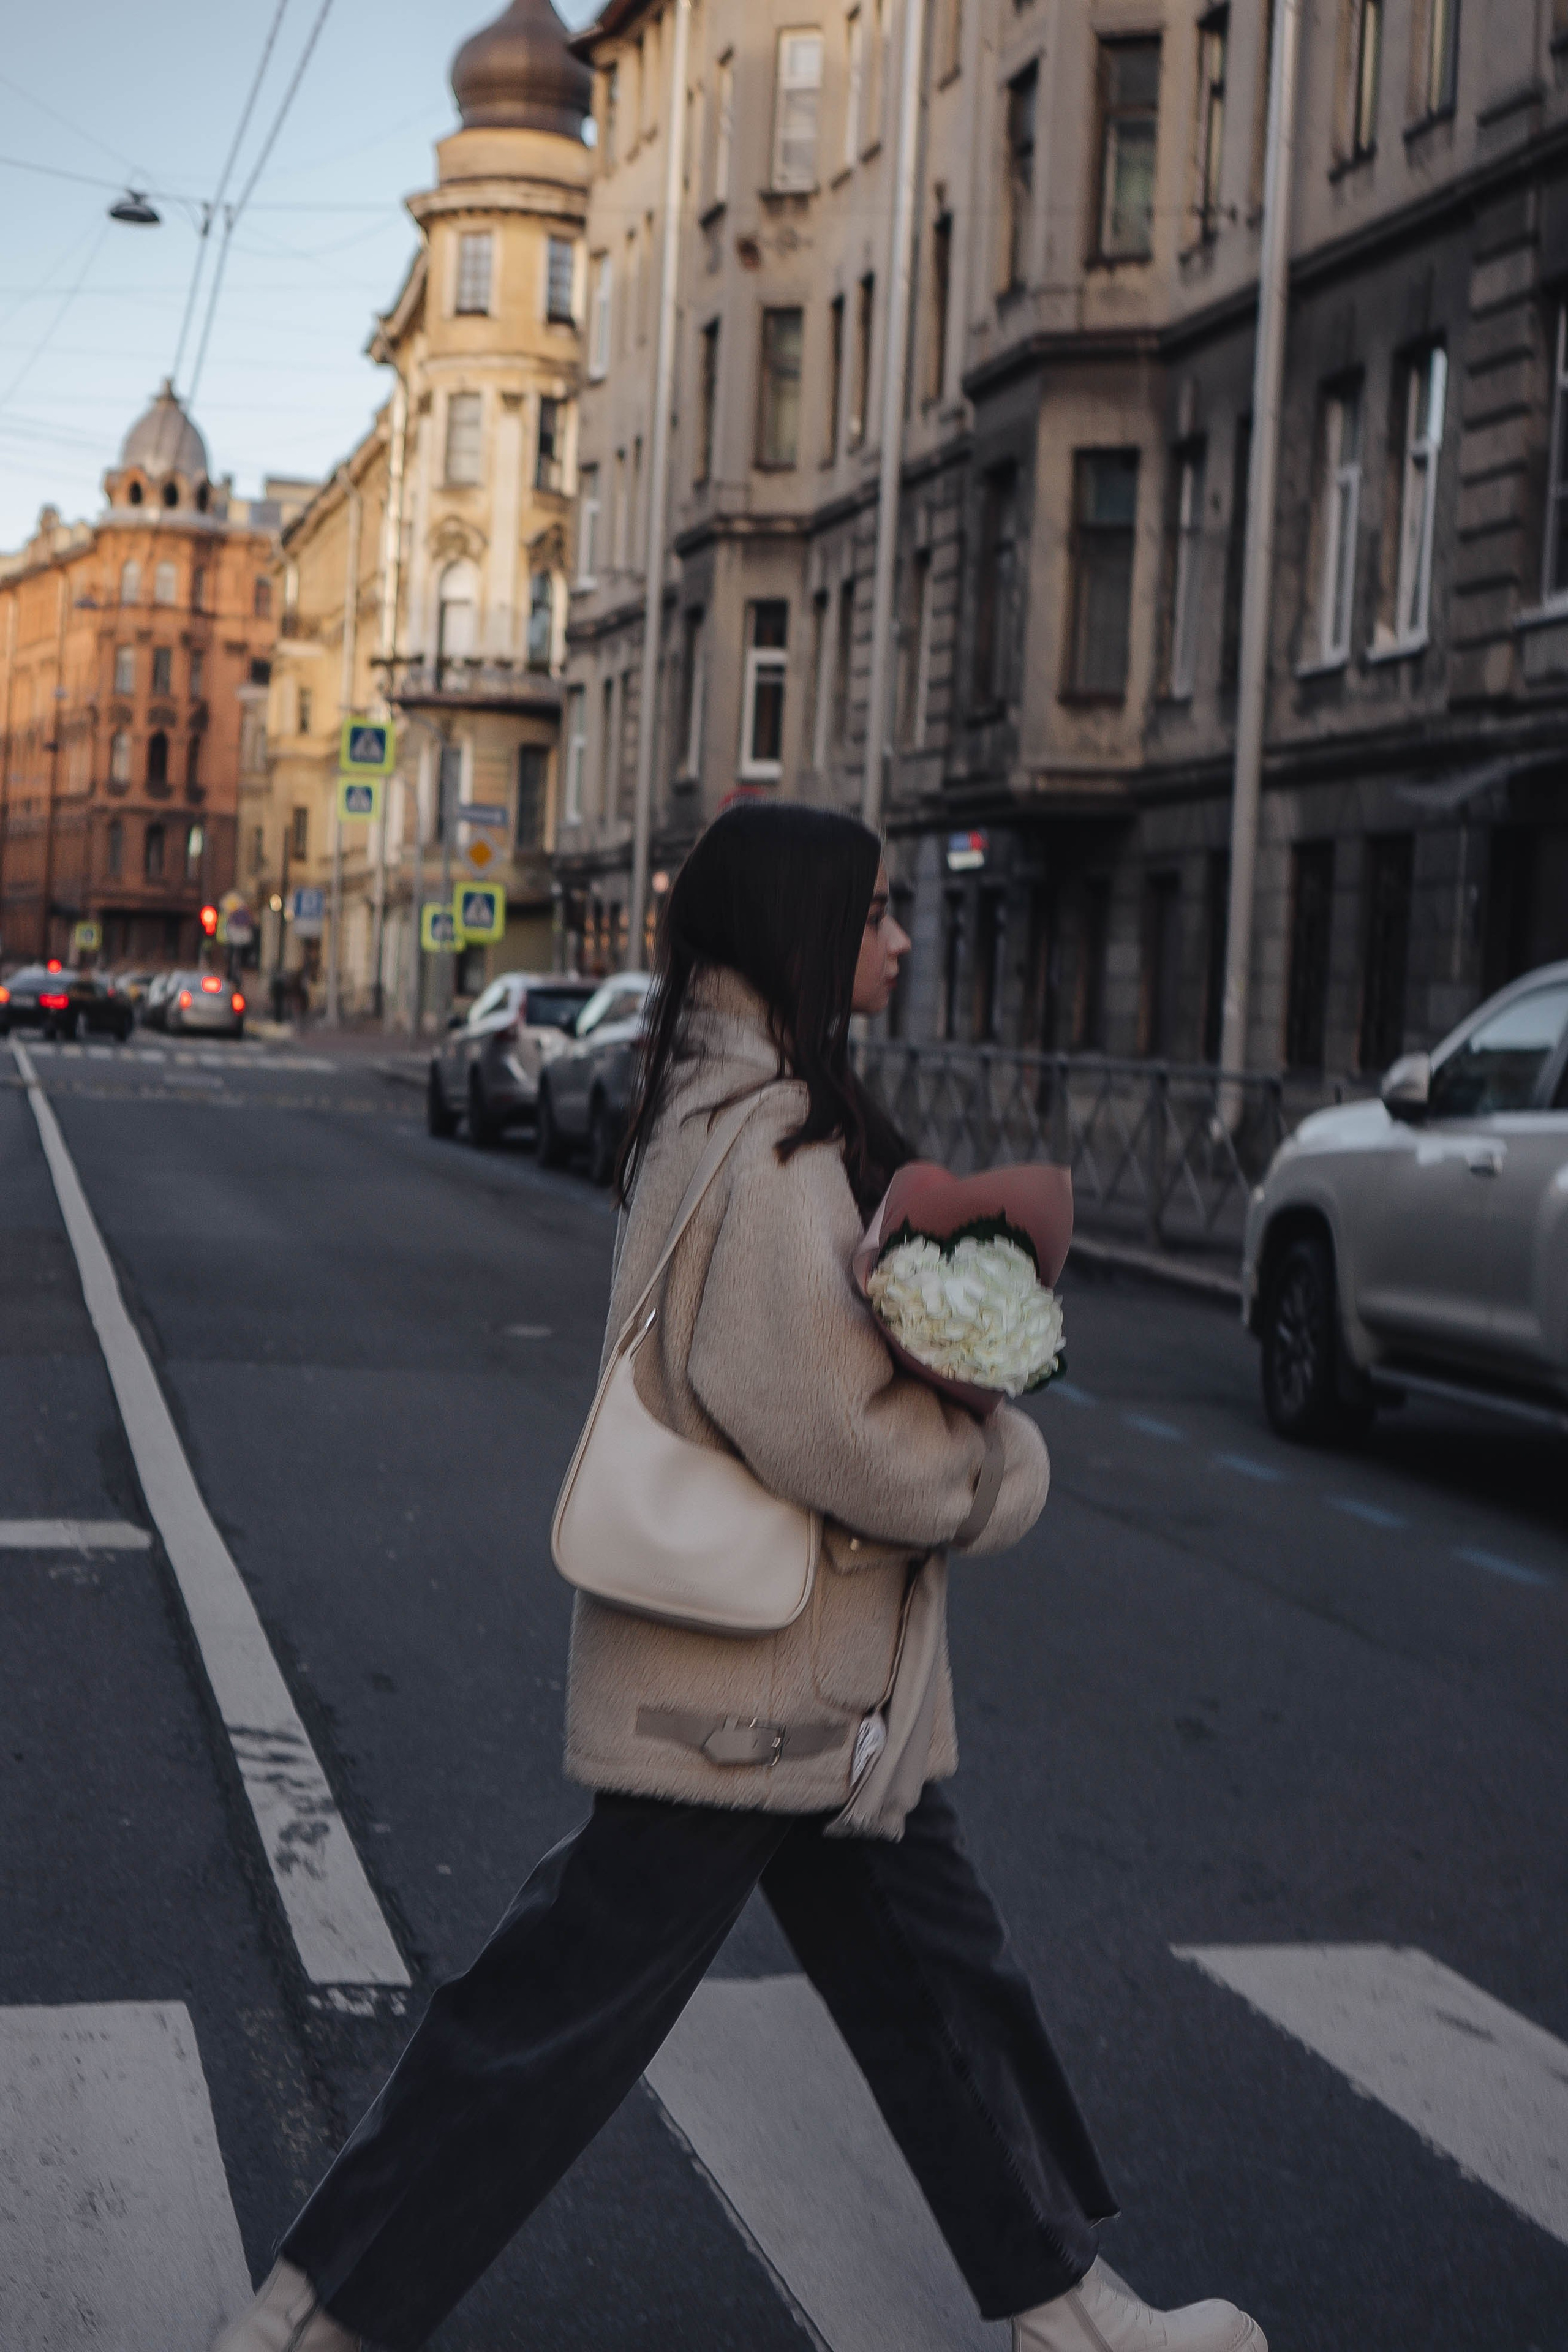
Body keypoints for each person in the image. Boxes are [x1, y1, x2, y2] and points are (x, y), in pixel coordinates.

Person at [218, 805, 1264, 2352]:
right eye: (876, 916)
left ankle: (1065, 2309)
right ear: (802, 931)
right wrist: (991, 1470)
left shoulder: (726, 1107)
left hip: (815, 1691)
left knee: (936, 1985)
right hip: (752, 1701)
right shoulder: (768, 1141)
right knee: (551, 2020)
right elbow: (819, 1421)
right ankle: (316, 2315)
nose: (896, 943)